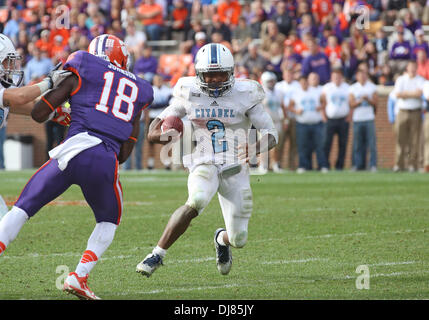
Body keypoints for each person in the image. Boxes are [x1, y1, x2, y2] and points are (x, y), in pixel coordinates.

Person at [0, 34, 154, 300]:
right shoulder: (140, 89)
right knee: (109, 220)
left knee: (20, 210)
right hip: (105, 158)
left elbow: (37, 114)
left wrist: (60, 102)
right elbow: (126, 153)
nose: (12, 67)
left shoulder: (82, 65)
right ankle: (79, 276)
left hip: (70, 153)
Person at [136, 43, 278, 277]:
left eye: (219, 74)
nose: (213, 80)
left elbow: (272, 134)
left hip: (235, 166)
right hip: (203, 160)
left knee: (238, 239)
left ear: (231, 73)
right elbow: (153, 130)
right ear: (199, 74)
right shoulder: (189, 91)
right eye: (209, 75)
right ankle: (157, 254)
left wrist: (255, 146)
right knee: (197, 200)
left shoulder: (245, 93)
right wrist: (163, 135)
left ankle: (221, 239)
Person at [289, 75, 328, 173]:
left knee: (319, 145)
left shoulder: (316, 91)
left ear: (308, 82)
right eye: (301, 82)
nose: (304, 84)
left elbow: (324, 102)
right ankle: (303, 165)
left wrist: (320, 107)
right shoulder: (296, 93)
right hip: (302, 123)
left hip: (316, 123)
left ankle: (322, 165)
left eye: (305, 82)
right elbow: (290, 106)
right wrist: (296, 111)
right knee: (303, 146)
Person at [392, 60, 425, 172]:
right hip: (402, 111)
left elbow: (420, 93)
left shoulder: (421, 80)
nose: (412, 69)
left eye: (414, 67)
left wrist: (406, 94)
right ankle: (399, 164)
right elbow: (398, 94)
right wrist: (413, 94)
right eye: (410, 67)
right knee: (400, 139)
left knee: (415, 140)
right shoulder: (401, 80)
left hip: (416, 111)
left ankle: (412, 164)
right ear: (407, 68)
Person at [349, 63, 378, 172]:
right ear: (357, 76)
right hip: (357, 119)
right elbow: (351, 104)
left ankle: (372, 165)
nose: (362, 77)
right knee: (357, 144)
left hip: (369, 118)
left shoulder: (372, 87)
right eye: (360, 75)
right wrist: (360, 101)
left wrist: (368, 99)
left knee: (371, 144)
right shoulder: (353, 88)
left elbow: (376, 103)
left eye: (364, 75)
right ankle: (357, 165)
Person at [321, 68, 351, 171]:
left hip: (343, 119)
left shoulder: (347, 88)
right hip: (330, 119)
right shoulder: (327, 88)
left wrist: (349, 116)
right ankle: (325, 165)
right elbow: (322, 103)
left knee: (342, 144)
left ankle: (339, 166)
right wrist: (324, 116)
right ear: (331, 78)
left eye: (338, 77)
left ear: (342, 78)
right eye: (335, 77)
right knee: (326, 143)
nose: (337, 79)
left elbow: (351, 103)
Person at [274, 67, 300, 171]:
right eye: (287, 74)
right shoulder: (278, 86)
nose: (289, 76)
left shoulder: (297, 86)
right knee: (280, 143)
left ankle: (292, 166)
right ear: (284, 75)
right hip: (281, 118)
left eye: (290, 74)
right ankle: (277, 164)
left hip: (294, 117)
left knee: (294, 143)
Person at [146, 74, 173, 170]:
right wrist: (163, 104)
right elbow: (149, 105)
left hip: (164, 119)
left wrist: (157, 104)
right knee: (151, 142)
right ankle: (150, 164)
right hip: (153, 118)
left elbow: (170, 105)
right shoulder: (151, 90)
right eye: (156, 80)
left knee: (167, 141)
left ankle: (167, 164)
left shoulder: (168, 90)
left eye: (160, 79)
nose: (158, 81)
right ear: (153, 81)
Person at [260, 71, 284, 173]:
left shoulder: (278, 92)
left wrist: (284, 119)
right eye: (269, 81)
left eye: (273, 81)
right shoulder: (260, 92)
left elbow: (281, 106)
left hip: (277, 120)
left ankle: (275, 164)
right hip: (264, 122)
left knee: (277, 145)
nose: (271, 83)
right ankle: (263, 165)